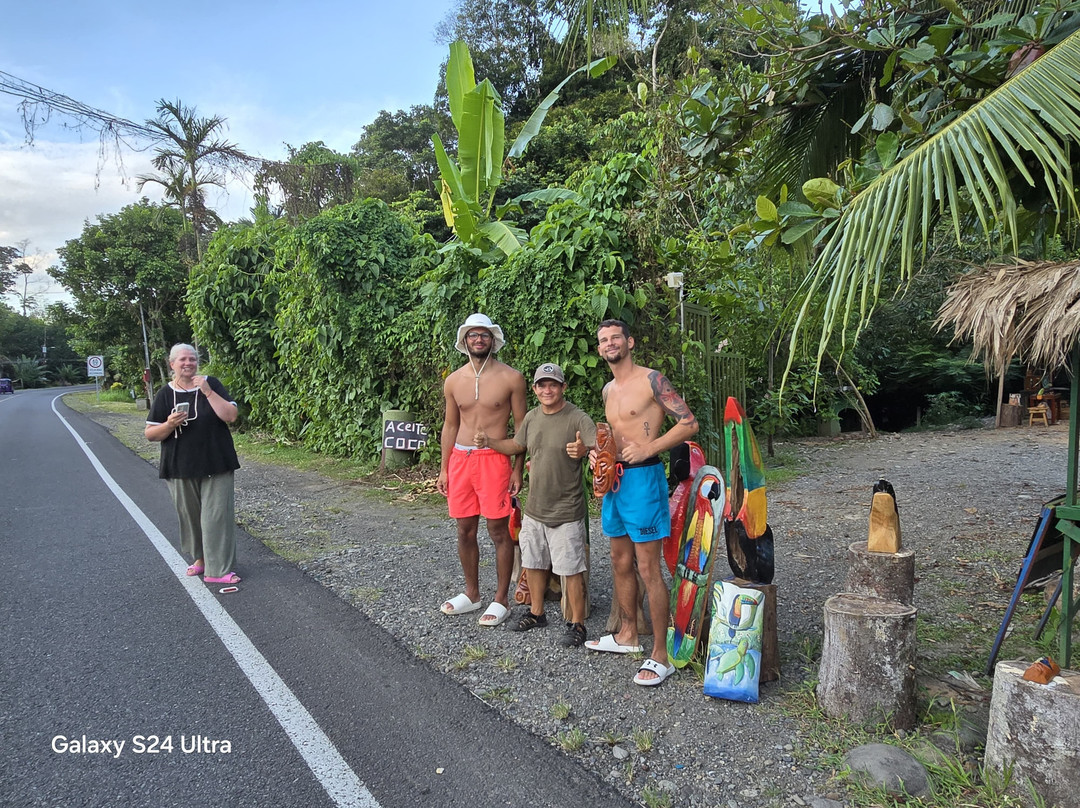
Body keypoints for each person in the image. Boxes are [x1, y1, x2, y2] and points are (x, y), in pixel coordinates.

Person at [586, 319, 698, 686]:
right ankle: (628, 634)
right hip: (614, 482)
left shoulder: (652, 380)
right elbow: (615, 436)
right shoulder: (608, 390)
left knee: (648, 567)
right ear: (599, 349)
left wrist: (650, 447)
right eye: (603, 340)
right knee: (620, 561)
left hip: (645, 480)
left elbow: (688, 423)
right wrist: (598, 453)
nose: (610, 344)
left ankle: (661, 655)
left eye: (615, 337)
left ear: (629, 342)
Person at [475, 363, 597, 646]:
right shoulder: (531, 417)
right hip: (535, 509)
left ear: (563, 387)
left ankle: (577, 624)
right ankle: (536, 613)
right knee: (533, 563)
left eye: (553, 384)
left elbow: (599, 446)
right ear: (534, 389)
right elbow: (517, 446)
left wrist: (584, 450)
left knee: (571, 569)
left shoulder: (578, 418)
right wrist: (489, 441)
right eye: (542, 385)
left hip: (567, 510)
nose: (547, 390)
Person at [437, 314, 527, 627]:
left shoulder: (511, 378)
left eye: (484, 335)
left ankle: (501, 598)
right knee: (465, 529)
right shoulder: (453, 381)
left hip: (495, 458)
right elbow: (450, 425)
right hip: (461, 459)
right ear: (464, 340)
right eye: (473, 335)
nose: (478, 340)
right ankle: (472, 593)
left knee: (499, 530)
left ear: (493, 340)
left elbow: (521, 428)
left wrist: (517, 469)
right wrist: (444, 468)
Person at [145, 343, 241, 585]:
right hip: (180, 466)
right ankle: (201, 559)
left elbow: (231, 416)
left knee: (216, 517)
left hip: (217, 461)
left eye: (192, 359)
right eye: (183, 360)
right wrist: (169, 424)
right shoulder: (165, 394)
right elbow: (151, 434)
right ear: (172, 364)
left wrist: (208, 392)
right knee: (190, 517)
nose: (188, 363)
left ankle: (218, 570)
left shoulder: (211, 384)